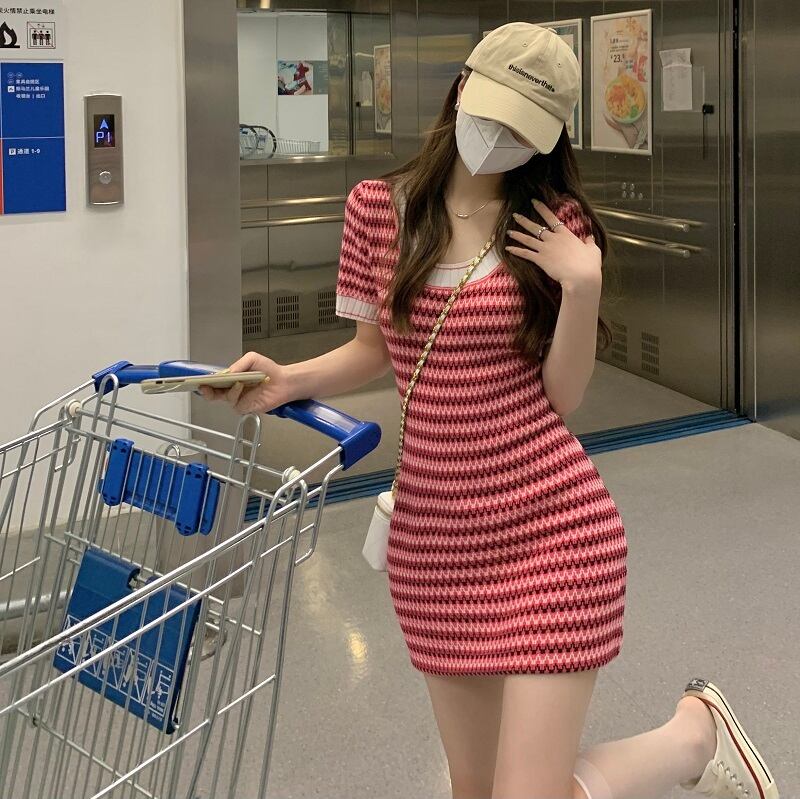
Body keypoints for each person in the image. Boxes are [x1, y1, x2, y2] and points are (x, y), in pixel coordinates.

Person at [201, 22, 779, 799]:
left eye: (525, 129)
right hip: (435, 545)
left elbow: (563, 396)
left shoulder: (555, 226)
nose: (502, 137)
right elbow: (375, 350)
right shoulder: (378, 209)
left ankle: (692, 735)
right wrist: (285, 381)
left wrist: (583, 285)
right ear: (462, 88)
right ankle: (694, 737)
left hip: (552, 533)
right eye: (496, 113)